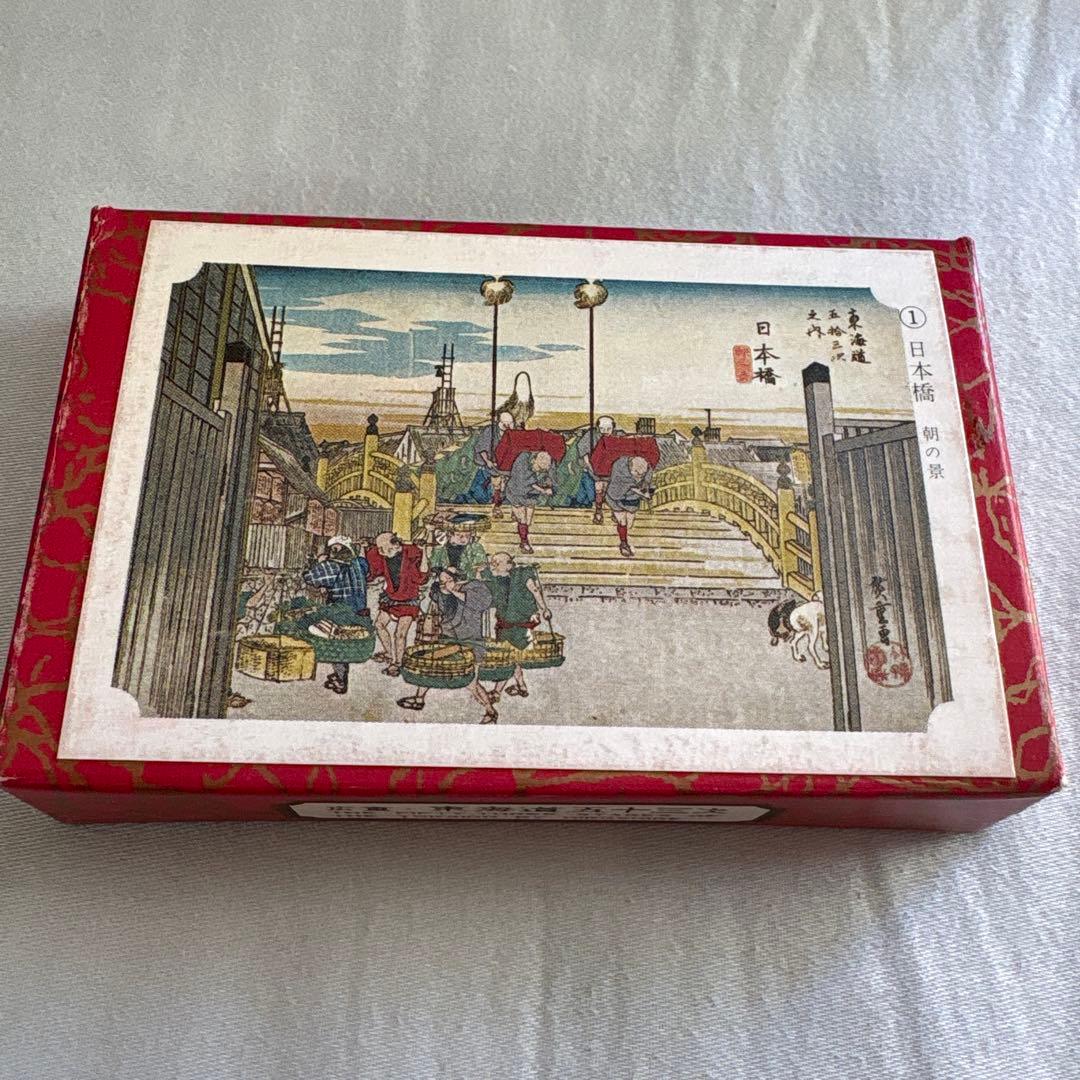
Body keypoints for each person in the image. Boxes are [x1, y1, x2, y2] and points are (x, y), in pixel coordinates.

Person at [397, 567, 499, 722]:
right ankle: (419, 698)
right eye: (442, 581)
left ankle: (490, 711)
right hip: (447, 638)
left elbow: (481, 603)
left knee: (471, 681)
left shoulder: (476, 586)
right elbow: (436, 603)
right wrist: (443, 592)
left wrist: (454, 591)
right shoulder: (443, 592)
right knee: (429, 667)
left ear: (459, 577)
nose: (445, 583)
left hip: (470, 642)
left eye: (449, 579)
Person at [302, 536, 372, 694]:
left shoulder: (331, 566)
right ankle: (339, 674)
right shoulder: (359, 563)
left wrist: (319, 562)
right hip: (360, 610)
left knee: (337, 643)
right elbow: (367, 568)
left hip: (340, 610)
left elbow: (310, 578)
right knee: (345, 641)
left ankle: (341, 680)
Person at [483, 551, 551, 699]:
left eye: (497, 563)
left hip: (520, 623)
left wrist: (544, 608)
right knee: (511, 657)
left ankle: (498, 691)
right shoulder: (495, 579)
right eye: (493, 563)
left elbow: (535, 590)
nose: (493, 565)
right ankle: (520, 685)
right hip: (504, 624)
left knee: (510, 657)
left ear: (509, 564)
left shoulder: (522, 574)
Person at [365, 531, 429, 677]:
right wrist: (366, 546)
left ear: (394, 545)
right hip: (391, 599)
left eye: (382, 548)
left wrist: (424, 550)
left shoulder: (411, 553)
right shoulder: (384, 555)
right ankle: (388, 653)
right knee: (379, 625)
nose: (379, 551)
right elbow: (374, 568)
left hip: (408, 601)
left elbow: (422, 577)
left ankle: (398, 663)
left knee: (400, 634)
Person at [505, 449, 554, 554]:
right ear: (534, 460)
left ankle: (523, 535)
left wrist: (547, 485)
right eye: (538, 468)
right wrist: (543, 490)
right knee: (522, 519)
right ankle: (524, 542)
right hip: (516, 491)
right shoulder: (522, 461)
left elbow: (546, 478)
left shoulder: (545, 462)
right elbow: (524, 482)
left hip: (531, 494)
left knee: (528, 520)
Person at [605, 455, 655, 557]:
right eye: (637, 474)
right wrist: (642, 492)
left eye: (642, 474)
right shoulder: (619, 467)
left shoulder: (647, 468)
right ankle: (624, 543)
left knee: (630, 524)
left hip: (632, 500)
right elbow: (621, 486)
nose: (639, 477)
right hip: (616, 498)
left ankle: (623, 531)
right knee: (622, 521)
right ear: (632, 469)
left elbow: (647, 482)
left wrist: (648, 490)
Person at [473, 410, 514, 516]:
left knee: (511, 485)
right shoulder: (489, 431)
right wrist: (487, 461)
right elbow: (482, 447)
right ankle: (496, 507)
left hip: (508, 464)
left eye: (510, 424)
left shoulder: (513, 432)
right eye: (505, 424)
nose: (507, 426)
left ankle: (515, 509)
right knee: (497, 485)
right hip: (493, 464)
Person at [577, 415, 618, 523]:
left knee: (612, 490)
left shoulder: (617, 436)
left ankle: (615, 511)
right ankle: (598, 512)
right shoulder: (591, 435)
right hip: (593, 469)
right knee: (598, 489)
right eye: (602, 429)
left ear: (613, 428)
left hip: (612, 470)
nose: (605, 431)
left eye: (608, 429)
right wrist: (591, 468)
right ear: (598, 428)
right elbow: (584, 454)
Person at [427, 514, 488, 580]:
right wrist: (443, 571)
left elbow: (480, 568)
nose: (464, 539)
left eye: (467, 536)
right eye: (459, 535)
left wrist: (457, 572)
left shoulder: (475, 547)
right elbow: (433, 566)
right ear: (450, 534)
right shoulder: (441, 548)